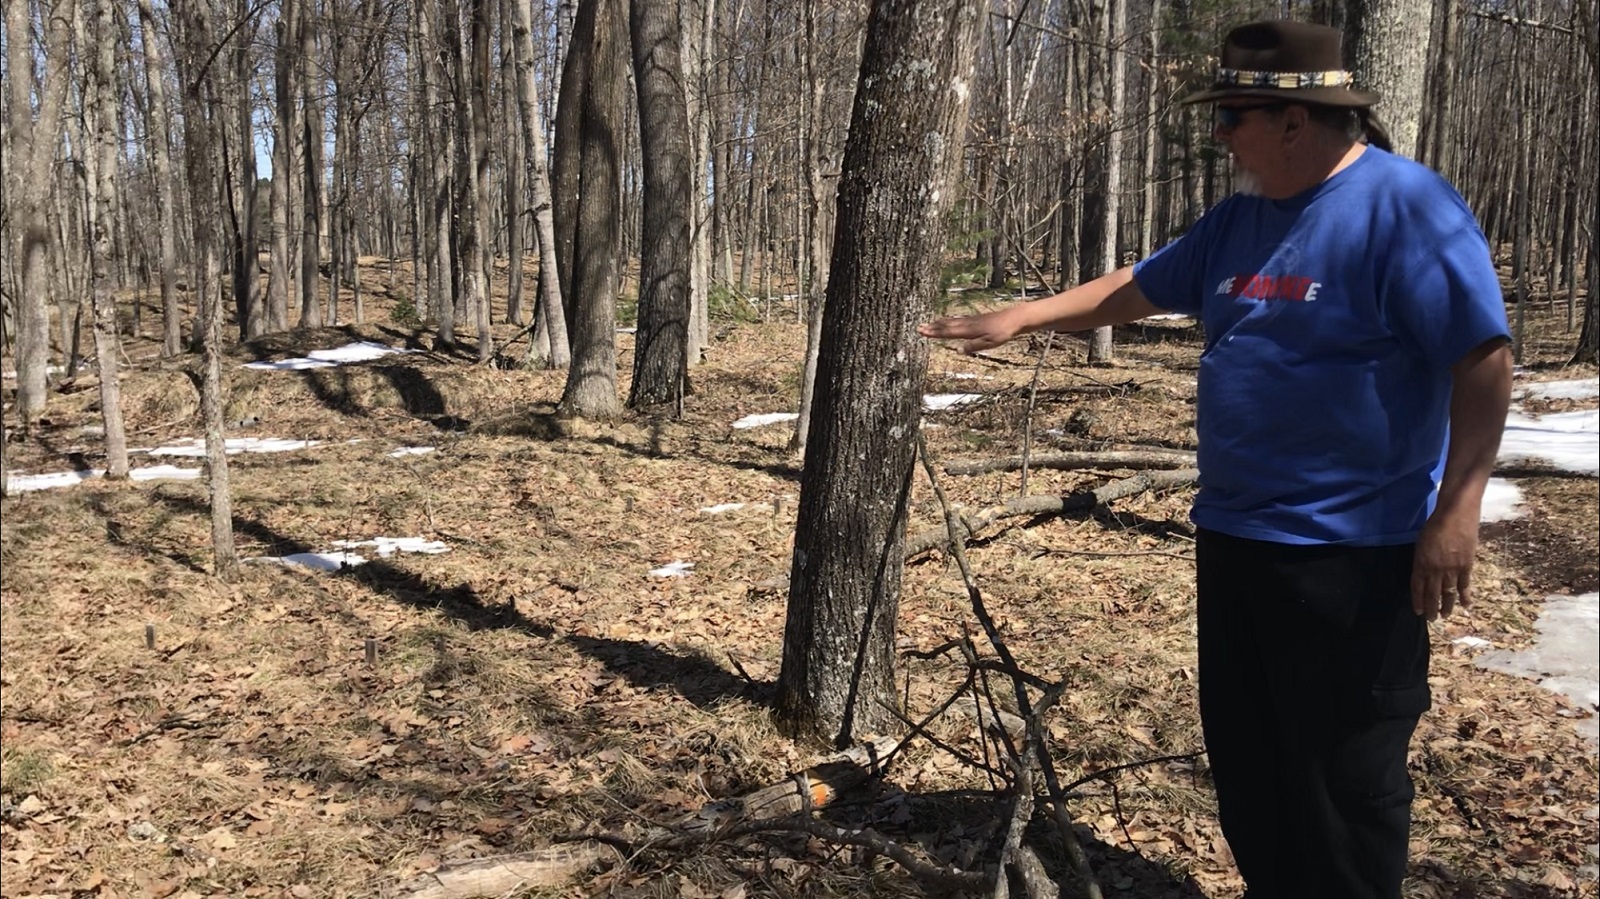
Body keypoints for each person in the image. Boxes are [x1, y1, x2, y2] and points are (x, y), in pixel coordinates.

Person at [919, 19, 1513, 899]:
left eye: (1232, 116)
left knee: (1345, 787)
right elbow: (1140, 285)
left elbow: (1483, 359)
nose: (1219, 136)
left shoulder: (1406, 208)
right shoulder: (1239, 221)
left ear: (1294, 121)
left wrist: (1456, 512)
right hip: (1236, 541)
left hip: (1354, 556)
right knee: (1253, 770)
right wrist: (1024, 317)